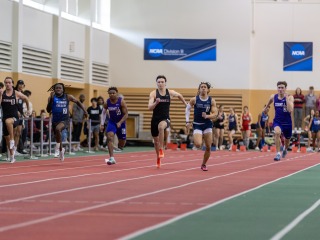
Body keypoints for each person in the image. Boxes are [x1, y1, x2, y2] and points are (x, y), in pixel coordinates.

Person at [148, 75, 187, 168]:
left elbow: (180, 95)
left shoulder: (170, 92)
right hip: (155, 119)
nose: (160, 83)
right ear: (156, 83)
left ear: (165, 83)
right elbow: (149, 107)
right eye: (159, 82)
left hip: (165, 118)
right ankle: (158, 158)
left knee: (161, 127)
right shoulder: (153, 93)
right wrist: (156, 103)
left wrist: (186, 104)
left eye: (162, 82)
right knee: (155, 141)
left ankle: (161, 148)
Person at [46, 83, 88, 161]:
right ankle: (61, 151)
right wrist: (51, 99)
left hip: (65, 119)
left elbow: (78, 102)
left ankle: (57, 148)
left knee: (58, 129)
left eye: (60, 88)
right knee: (57, 137)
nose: (58, 89)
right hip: (55, 120)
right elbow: (48, 110)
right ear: (54, 89)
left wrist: (85, 111)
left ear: (63, 89)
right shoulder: (51, 97)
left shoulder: (68, 96)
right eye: (56, 88)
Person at [186, 82, 217, 171]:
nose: (203, 88)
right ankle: (199, 137)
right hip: (197, 125)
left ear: (208, 90)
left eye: (205, 87)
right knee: (198, 144)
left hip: (207, 125)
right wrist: (187, 122)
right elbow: (187, 109)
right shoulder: (194, 99)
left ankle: (203, 164)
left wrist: (207, 116)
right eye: (201, 87)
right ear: (199, 89)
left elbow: (215, 114)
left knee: (208, 147)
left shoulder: (211, 101)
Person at [0, 77, 30, 163]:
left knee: (8, 122)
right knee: (6, 138)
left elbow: (26, 99)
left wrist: (28, 110)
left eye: (9, 82)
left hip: (15, 118)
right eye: (6, 83)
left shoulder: (16, 93)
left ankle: (13, 140)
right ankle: (12, 156)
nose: (7, 84)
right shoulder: (3, 93)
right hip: (5, 117)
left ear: (12, 84)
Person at [264, 81, 294, 161]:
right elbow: (269, 103)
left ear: (285, 88)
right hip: (278, 121)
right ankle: (278, 153)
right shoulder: (273, 97)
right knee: (277, 133)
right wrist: (266, 108)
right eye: (279, 87)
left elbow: (290, 109)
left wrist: (286, 98)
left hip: (287, 123)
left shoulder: (290, 97)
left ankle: (285, 149)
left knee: (287, 140)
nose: (280, 89)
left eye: (282, 88)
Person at [100, 87, 128, 165]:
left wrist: (120, 122)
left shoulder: (121, 102)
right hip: (112, 122)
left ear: (117, 93)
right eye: (110, 93)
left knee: (122, 143)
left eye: (113, 93)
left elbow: (126, 114)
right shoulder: (107, 102)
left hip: (121, 123)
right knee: (109, 136)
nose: (112, 94)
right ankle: (112, 158)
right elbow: (103, 113)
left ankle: (121, 145)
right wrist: (102, 124)